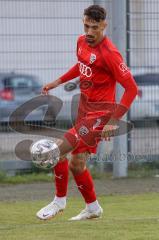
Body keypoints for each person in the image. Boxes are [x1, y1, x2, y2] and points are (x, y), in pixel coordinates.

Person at [36, 4, 138, 221]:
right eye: (86, 26)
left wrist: (112, 122)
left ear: (104, 26)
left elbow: (132, 89)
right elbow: (81, 65)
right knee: (76, 163)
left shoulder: (111, 54)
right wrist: (57, 82)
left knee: (58, 150)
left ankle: (58, 201)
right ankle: (93, 208)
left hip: (100, 115)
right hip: (84, 109)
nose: (90, 32)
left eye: (95, 28)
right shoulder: (81, 41)